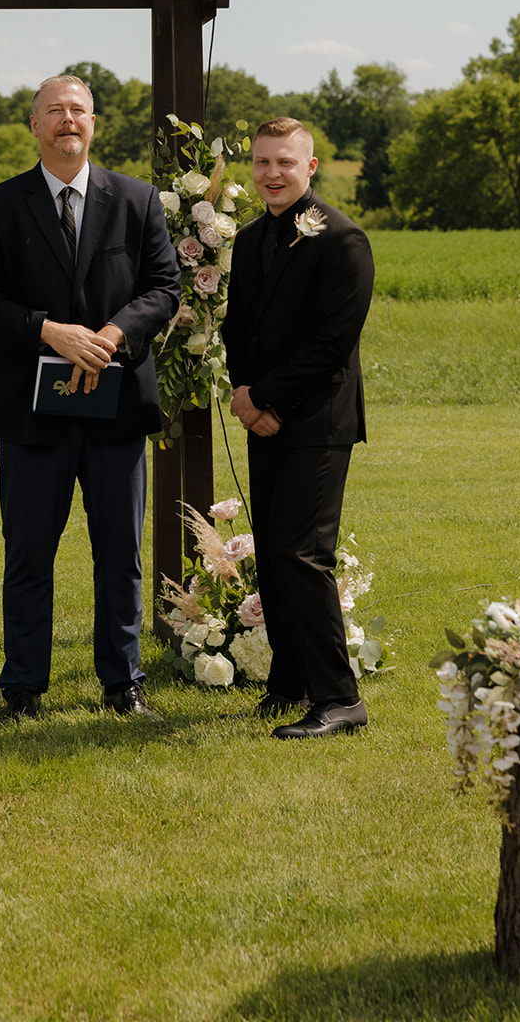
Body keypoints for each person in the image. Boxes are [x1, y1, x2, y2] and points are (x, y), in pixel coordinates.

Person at [0, 74, 181, 722]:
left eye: (77, 110)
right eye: (53, 111)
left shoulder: (138, 201)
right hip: (30, 414)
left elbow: (164, 288)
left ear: (94, 123)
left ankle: (124, 684)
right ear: (33, 126)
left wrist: (114, 334)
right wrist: (47, 330)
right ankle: (22, 688)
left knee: (121, 553)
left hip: (116, 409)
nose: (66, 120)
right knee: (28, 552)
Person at [222, 117, 375, 740]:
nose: (272, 173)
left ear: (310, 167)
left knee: (304, 555)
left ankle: (340, 698)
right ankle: (288, 683)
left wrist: (268, 398)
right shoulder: (253, 237)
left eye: (285, 162)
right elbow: (240, 329)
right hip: (264, 418)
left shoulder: (342, 239)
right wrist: (244, 395)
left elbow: (331, 342)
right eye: (262, 162)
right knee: (276, 556)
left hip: (318, 420)